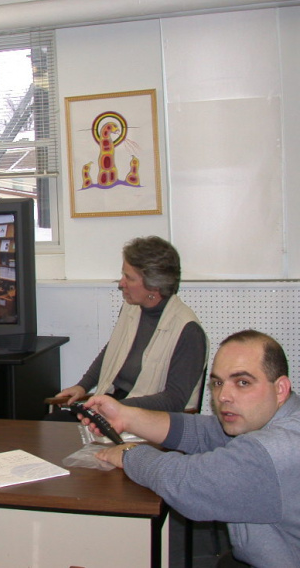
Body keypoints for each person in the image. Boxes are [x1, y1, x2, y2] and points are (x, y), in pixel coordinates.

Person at [85, 330, 300, 568]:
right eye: (218, 383)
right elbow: (204, 432)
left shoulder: (275, 450)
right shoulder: (278, 419)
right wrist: (126, 417)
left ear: (280, 388)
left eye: (242, 382)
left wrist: (129, 454)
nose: (224, 396)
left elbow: (187, 482)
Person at [51, 236, 207, 415]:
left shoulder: (188, 331)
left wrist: (118, 407)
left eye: (129, 278)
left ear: (154, 287)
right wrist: (82, 386)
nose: (121, 283)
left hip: (149, 419)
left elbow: (174, 400)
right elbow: (113, 351)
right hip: (117, 405)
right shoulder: (131, 308)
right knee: (52, 423)